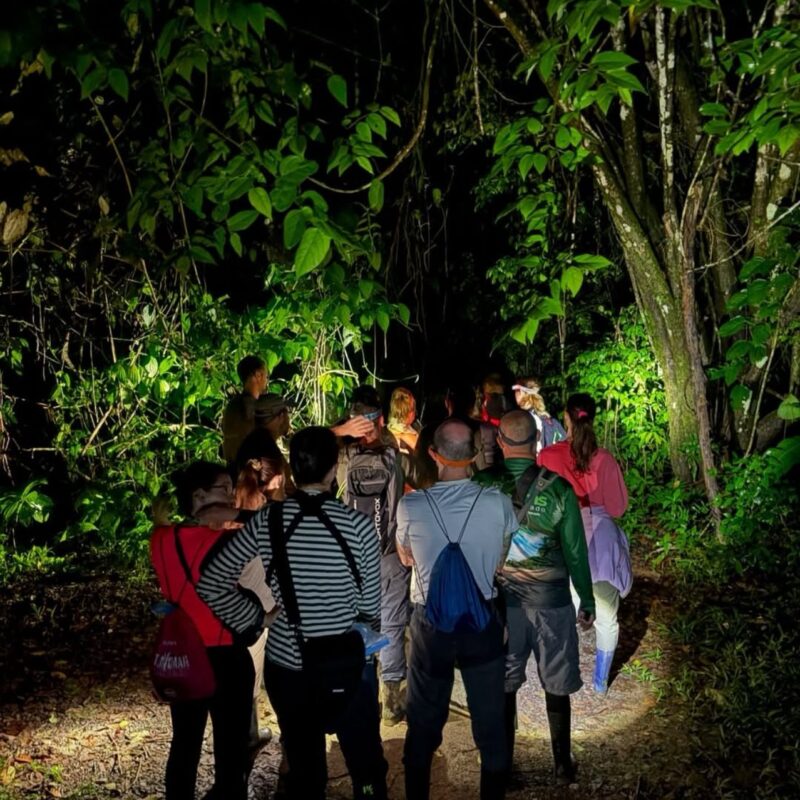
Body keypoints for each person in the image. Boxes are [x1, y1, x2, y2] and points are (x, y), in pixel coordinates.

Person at [197, 426, 387, 800]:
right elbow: (370, 609)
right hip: (348, 663)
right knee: (366, 765)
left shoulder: (268, 522)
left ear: (294, 471)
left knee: (305, 767)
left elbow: (211, 583)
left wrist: (255, 618)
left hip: (289, 664)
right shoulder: (360, 527)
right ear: (335, 470)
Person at [396, 419, 519, 800]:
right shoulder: (498, 503)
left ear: (433, 455)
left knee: (423, 722)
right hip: (481, 622)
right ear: (474, 456)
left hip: (432, 627)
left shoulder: (411, 504)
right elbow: (501, 561)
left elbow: (405, 560)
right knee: (491, 723)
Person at [474, 410, 595, 785]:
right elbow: (575, 551)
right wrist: (586, 600)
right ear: (535, 444)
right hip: (552, 603)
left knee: (504, 684)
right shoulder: (560, 490)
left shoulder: (481, 486)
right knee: (557, 682)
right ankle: (562, 763)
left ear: (502, 444)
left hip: (501, 606)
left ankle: (503, 767)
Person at [150, 462, 255, 800]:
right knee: (231, 749)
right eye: (224, 489)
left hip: (184, 656)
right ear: (198, 497)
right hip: (226, 657)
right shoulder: (230, 541)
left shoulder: (162, 539)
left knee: (184, 743)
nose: (231, 497)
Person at [538, 393, 632, 695]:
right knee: (607, 618)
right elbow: (617, 508)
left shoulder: (549, 456)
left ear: (565, 417)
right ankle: (600, 683)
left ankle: (559, 677)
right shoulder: (604, 459)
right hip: (600, 547)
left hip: (563, 543)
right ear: (592, 418)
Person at [337, 385, 408, 725]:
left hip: (351, 557)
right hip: (389, 554)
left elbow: (307, 442)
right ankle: (392, 701)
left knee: (359, 623)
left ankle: (362, 696)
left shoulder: (344, 458)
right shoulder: (395, 457)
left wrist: (341, 432)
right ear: (380, 418)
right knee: (392, 622)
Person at [222, 355, 269, 464]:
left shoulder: (232, 405)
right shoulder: (250, 406)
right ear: (258, 375)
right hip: (248, 469)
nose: (266, 380)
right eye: (266, 376)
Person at [512, 377, 567, 454]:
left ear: (522, 392)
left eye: (516, 390)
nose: (514, 393)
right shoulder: (550, 421)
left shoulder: (520, 419)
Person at [387, 386, 420, 455]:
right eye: (414, 409)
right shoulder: (411, 439)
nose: (415, 412)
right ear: (410, 413)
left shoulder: (384, 431)